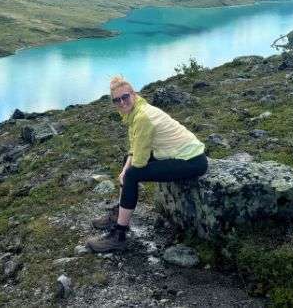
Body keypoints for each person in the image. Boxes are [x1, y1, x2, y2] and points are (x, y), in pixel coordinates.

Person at [86, 76, 208, 253]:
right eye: (116, 100)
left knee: (132, 174)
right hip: (179, 154)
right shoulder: (136, 109)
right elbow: (134, 147)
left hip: (191, 161)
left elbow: (140, 162)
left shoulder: (142, 117)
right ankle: (118, 214)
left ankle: (119, 236)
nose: (121, 102)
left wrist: (126, 173)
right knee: (127, 166)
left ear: (133, 94)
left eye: (125, 97)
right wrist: (125, 167)